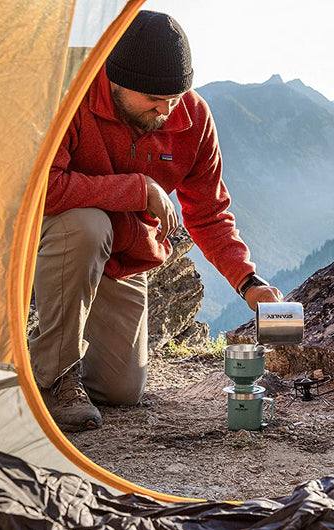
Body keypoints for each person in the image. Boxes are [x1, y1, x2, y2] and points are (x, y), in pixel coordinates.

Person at [29, 11, 283, 433]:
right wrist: (139, 189)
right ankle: (54, 376)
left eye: (175, 97)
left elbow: (210, 214)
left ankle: (57, 353)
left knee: (121, 391)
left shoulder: (193, 118)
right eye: (153, 100)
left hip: (126, 256)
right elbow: (45, 189)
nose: (166, 111)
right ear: (115, 80)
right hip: (56, 236)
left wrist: (249, 284)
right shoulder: (72, 95)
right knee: (89, 226)